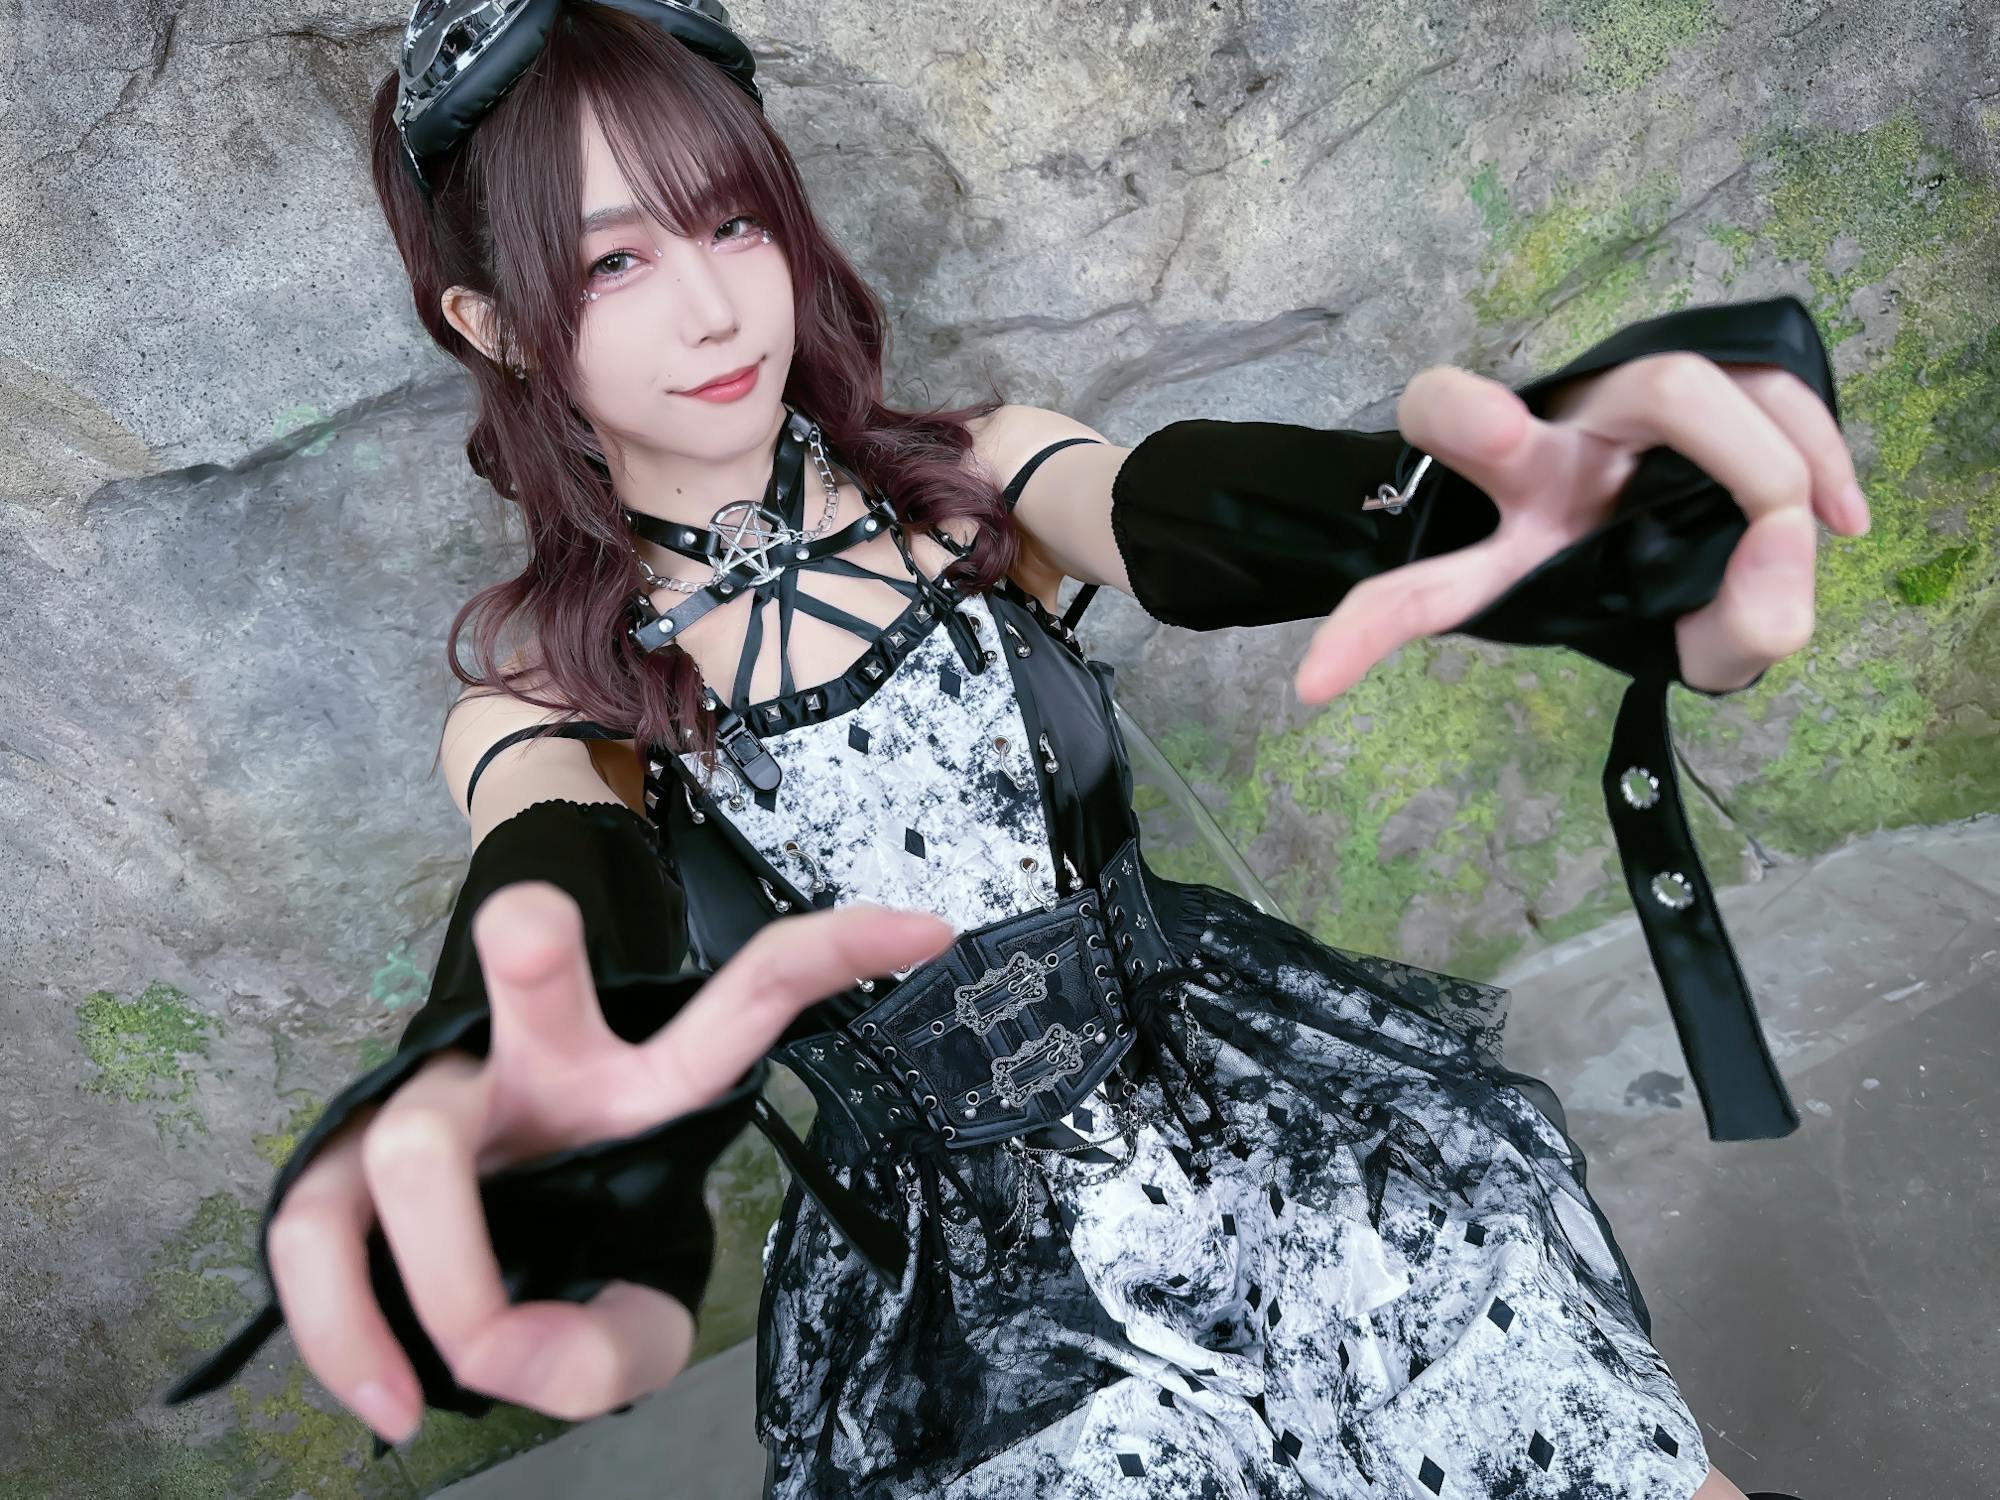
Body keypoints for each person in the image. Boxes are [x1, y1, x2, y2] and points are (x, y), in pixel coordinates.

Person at [159, 4, 1867, 1497]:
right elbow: (546, 886)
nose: (714, 311)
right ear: (497, 324)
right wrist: (480, 1059)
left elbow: (1181, 515)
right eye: (616, 263)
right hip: (973, 1295)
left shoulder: (978, 481)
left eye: (734, 220)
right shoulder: (549, 704)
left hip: (1248, 1108)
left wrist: (1493, 519)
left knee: (1550, 1396)